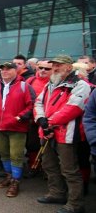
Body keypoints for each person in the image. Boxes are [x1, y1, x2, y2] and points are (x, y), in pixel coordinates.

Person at [34, 55, 90, 213]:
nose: (55, 68)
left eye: (59, 65)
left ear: (69, 67)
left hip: (67, 133)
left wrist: (48, 123)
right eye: (54, 65)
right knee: (49, 165)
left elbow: (74, 108)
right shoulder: (50, 84)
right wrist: (41, 120)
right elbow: (38, 103)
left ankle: (75, 204)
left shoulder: (80, 85)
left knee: (69, 169)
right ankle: (57, 193)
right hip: (46, 131)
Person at [0, 62, 35, 198]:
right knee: (3, 153)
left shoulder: (25, 86)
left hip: (17, 128)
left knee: (16, 155)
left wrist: (19, 118)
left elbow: (31, 105)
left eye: (9, 69)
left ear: (16, 71)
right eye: (3, 69)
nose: (5, 71)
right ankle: (9, 176)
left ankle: (15, 181)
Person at [24, 61, 52, 177]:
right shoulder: (30, 81)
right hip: (32, 119)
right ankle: (33, 166)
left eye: (47, 68)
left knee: (49, 146)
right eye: (41, 68)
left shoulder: (55, 83)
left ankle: (48, 170)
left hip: (50, 120)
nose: (43, 70)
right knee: (32, 144)